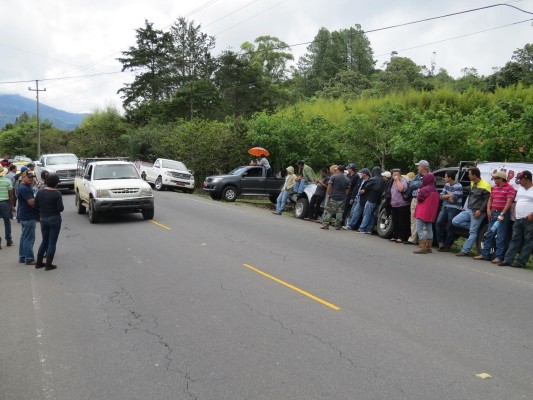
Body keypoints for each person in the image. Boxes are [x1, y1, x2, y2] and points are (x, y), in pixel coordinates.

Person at [474, 171, 515, 263]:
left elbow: (509, 202)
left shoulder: (510, 188)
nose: (494, 180)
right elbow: (490, 199)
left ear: (501, 179)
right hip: (493, 212)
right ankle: (485, 254)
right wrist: (488, 209)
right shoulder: (494, 188)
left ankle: (499, 257)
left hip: (502, 214)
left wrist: (502, 214)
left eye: (496, 178)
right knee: (490, 233)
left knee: (500, 236)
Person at [452, 167, 492, 257]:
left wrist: (480, 211)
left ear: (474, 175)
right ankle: (475, 228)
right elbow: (468, 191)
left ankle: (464, 251)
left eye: (469, 174)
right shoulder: (473, 182)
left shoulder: (485, 185)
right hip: (469, 209)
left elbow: (487, 201)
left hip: (477, 211)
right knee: (455, 221)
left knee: (472, 232)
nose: (468, 175)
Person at [498, 171, 533, 268]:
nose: (518, 181)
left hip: (529, 220)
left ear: (525, 179)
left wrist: (532, 215)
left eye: (520, 179)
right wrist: (514, 213)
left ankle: (520, 262)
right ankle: (508, 260)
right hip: (518, 218)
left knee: (528, 241)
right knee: (514, 239)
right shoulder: (521, 189)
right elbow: (516, 202)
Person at [34, 173, 64, 270]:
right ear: (56, 183)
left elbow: (35, 206)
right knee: (52, 242)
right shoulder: (57, 193)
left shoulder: (40, 192)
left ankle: (38, 263)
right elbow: (61, 208)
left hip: (43, 218)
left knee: (44, 241)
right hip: (54, 219)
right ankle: (48, 264)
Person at [435, 171, 463, 252]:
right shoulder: (447, 185)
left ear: (450, 177)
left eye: (446, 177)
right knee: (439, 222)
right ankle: (440, 242)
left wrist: (446, 196)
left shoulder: (459, 186)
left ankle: (448, 245)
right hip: (445, 207)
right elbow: (440, 196)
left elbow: (453, 200)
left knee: (450, 226)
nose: (445, 178)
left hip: (454, 208)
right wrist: (449, 195)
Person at [413, 173, 439, 254]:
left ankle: (422, 247)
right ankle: (429, 247)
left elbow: (419, 198)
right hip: (431, 213)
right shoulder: (435, 190)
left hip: (422, 211)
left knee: (419, 229)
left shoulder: (424, 189)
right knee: (429, 229)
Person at [17, 171, 38, 265]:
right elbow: (31, 202)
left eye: (32, 177)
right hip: (28, 216)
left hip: (24, 215)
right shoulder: (24, 188)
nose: (31, 178)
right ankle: (29, 258)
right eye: (28, 177)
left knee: (24, 237)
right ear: (23, 177)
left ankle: (22, 256)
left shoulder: (25, 187)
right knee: (29, 238)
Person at [407, 160, 430, 244]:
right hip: (414, 198)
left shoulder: (429, 176)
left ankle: (422, 241)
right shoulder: (418, 175)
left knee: (422, 220)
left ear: (423, 167)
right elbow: (411, 185)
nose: (417, 167)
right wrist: (417, 183)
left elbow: (419, 184)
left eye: (419, 166)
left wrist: (416, 183)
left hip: (423, 200)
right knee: (413, 219)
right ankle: (413, 239)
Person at [320, 166, 349, 230]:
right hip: (342, 198)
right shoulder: (347, 179)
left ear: (338, 170)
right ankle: (338, 225)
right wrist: (343, 195)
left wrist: (328, 194)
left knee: (329, 211)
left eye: (336, 170)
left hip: (333, 197)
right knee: (339, 212)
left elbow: (329, 186)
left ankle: (325, 225)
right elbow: (347, 191)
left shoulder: (334, 176)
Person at [358, 166, 384, 234]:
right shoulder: (382, 180)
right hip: (377, 201)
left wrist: (363, 190)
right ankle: (369, 229)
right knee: (372, 215)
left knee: (366, 214)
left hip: (370, 199)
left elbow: (366, 187)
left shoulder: (373, 179)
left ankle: (362, 228)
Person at [389, 169, 411, 243]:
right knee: (395, 221)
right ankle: (395, 235)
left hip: (403, 204)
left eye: (397, 174)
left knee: (402, 221)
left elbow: (401, 189)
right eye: (394, 174)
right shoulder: (391, 182)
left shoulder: (402, 181)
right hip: (394, 204)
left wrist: (397, 180)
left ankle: (401, 236)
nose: (395, 176)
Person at [0, 165, 16, 249]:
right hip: (5, 203)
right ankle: (8, 240)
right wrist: (12, 205)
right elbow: (11, 195)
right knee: (7, 222)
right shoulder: (7, 181)